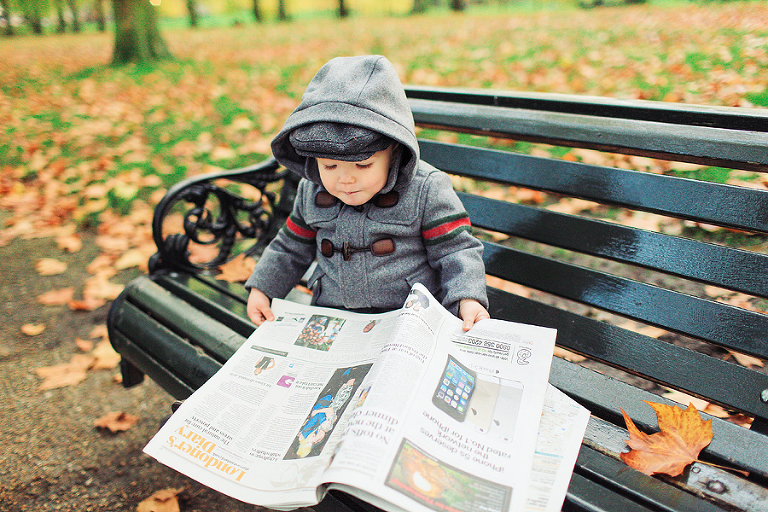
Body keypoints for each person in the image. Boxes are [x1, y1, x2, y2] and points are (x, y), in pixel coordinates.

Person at [245, 55, 489, 331]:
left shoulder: (426, 188)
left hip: (406, 321)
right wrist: (263, 288)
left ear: (395, 150)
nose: (346, 179)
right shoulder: (310, 190)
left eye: (363, 164)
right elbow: (289, 247)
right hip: (333, 319)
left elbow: (455, 250)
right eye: (329, 165)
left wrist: (466, 299)